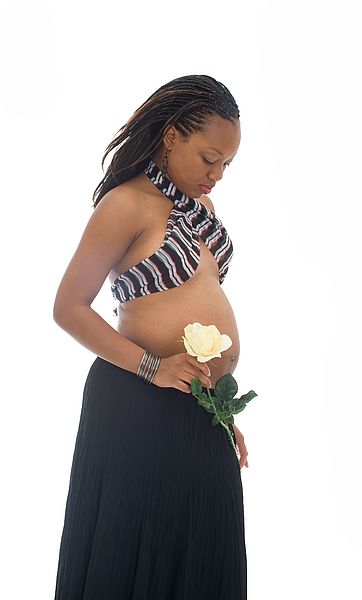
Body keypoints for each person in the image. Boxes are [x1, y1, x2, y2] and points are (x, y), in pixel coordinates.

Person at [52, 74, 249, 599]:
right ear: (171, 136)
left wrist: (221, 412)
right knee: (138, 555)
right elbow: (68, 308)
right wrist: (152, 367)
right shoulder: (126, 205)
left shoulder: (202, 211)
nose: (217, 175)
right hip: (135, 401)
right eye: (209, 158)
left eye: (227, 164)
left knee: (205, 553)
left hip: (198, 406)